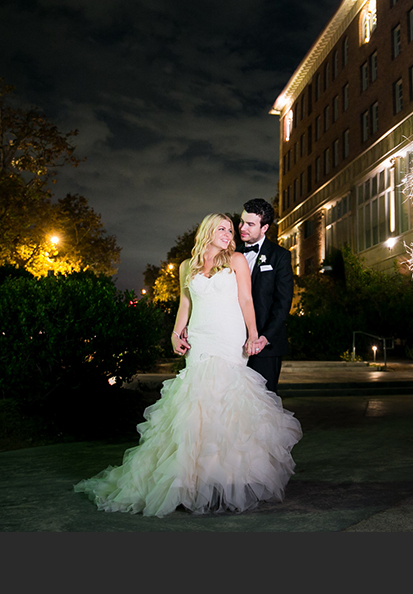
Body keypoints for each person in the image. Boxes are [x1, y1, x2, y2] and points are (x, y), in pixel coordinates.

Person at [74, 213, 302, 516]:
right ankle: (188, 482)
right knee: (195, 404)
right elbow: (186, 303)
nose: (228, 233)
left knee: (224, 404)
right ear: (207, 230)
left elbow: (246, 300)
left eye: (230, 229)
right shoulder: (187, 266)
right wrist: (174, 333)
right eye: (221, 228)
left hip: (229, 339)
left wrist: (254, 335)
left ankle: (224, 482)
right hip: (200, 337)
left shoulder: (235, 260)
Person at [237, 198, 294, 393]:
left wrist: (265, 338)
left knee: (263, 406)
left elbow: (283, 302)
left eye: (250, 224)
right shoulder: (231, 254)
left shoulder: (280, 256)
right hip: (232, 343)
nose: (242, 227)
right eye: (242, 221)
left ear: (265, 228)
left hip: (266, 348)